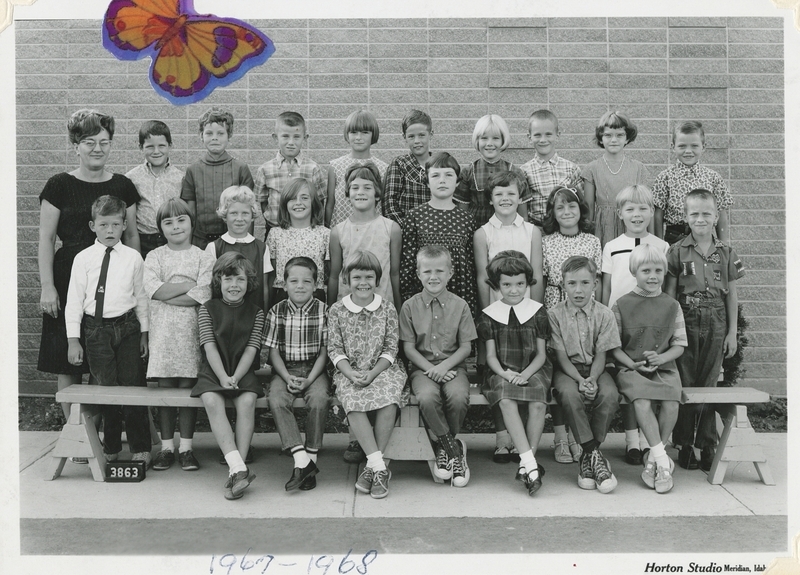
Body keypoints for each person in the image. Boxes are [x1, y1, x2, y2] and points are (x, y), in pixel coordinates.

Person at [38, 109, 141, 453]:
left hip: (113, 285)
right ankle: (78, 437)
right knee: (67, 359)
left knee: (107, 361)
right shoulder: (58, 185)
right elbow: (45, 240)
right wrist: (48, 286)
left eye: (104, 142)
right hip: (69, 276)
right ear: (76, 145)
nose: (97, 149)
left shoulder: (122, 186)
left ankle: (104, 433)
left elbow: (133, 239)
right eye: (89, 142)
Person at [64, 195, 150, 465]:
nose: (110, 231)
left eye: (115, 224)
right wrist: (73, 340)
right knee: (105, 388)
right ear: (93, 226)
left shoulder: (133, 258)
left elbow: (141, 296)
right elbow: (74, 300)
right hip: (96, 330)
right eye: (103, 225)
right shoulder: (83, 258)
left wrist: (145, 333)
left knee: (133, 386)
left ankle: (141, 447)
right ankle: (110, 445)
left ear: (125, 225)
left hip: (127, 327)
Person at [665, 188, 744, 472]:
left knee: (710, 383)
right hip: (685, 316)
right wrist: (672, 331)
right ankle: (685, 443)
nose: (700, 219)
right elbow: (670, 296)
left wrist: (732, 332)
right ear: (686, 217)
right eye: (694, 214)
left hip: (716, 318)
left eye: (706, 214)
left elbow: (732, 295)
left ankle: (707, 444)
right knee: (686, 381)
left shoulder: (727, 252)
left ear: (716, 216)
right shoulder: (676, 251)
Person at [473, 170, 543, 464]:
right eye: (499, 194)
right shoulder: (483, 233)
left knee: (525, 369)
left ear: (520, 198)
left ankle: (522, 442)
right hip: (496, 312)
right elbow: (482, 277)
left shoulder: (532, 231)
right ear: (490, 199)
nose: (505, 199)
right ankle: (503, 437)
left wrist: (533, 312)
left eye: (511, 193)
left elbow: (537, 275)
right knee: (499, 369)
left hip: (526, 311)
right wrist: (492, 312)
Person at [327, 251, 408, 499]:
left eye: (369, 277)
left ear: (378, 279)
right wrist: (350, 373)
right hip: (349, 370)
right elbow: (334, 348)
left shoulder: (387, 308)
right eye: (357, 277)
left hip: (383, 369)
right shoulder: (337, 310)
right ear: (346, 280)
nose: (363, 282)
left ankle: (372, 467)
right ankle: (379, 467)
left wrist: (373, 373)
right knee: (353, 399)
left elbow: (391, 347)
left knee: (387, 397)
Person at [600, 184, 669, 465]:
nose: (636, 214)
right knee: (628, 377)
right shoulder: (612, 247)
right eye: (630, 209)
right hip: (621, 323)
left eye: (643, 208)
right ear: (620, 213)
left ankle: (646, 440)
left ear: (652, 212)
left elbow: (668, 290)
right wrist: (604, 321)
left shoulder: (662, 246)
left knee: (647, 380)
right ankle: (631, 440)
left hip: (652, 326)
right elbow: (605, 288)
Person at [144, 198, 215, 471]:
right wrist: (187, 286)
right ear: (161, 228)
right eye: (168, 222)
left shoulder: (202, 256)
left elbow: (203, 294)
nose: (175, 226)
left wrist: (170, 292)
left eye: (181, 220)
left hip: (190, 332)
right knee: (165, 390)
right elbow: (153, 290)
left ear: (191, 222)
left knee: (187, 389)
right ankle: (166, 448)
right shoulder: (155, 256)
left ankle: (186, 447)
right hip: (162, 333)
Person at [399, 246, 477, 487]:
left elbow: (466, 347)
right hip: (422, 368)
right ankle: (453, 449)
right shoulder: (409, 306)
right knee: (426, 397)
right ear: (418, 273)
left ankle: (443, 447)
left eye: (440, 271)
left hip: (454, 367)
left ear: (450, 273)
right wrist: (431, 370)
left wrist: (444, 367)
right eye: (427, 271)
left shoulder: (460, 305)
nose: (433, 276)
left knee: (457, 396)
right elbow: (409, 348)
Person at [612, 244, 687, 494]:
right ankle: (663, 461)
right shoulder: (621, 305)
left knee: (671, 403)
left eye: (658, 270)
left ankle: (654, 460)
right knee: (642, 402)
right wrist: (629, 362)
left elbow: (679, 345)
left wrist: (662, 358)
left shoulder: (672, 305)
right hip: (631, 368)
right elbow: (614, 347)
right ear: (634, 271)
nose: (652, 276)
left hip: (664, 368)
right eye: (646, 270)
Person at [477, 251, 552, 496]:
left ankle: (525, 462)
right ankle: (531, 465)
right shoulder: (489, 315)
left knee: (538, 402)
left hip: (533, 368)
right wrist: (507, 374)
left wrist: (526, 374)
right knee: (507, 399)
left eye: (520, 284)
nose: (514, 290)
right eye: (507, 285)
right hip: (501, 370)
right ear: (497, 286)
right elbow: (490, 357)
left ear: (528, 283)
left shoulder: (538, 311)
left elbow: (541, 355)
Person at [191, 252, 265, 500]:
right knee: (212, 400)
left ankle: (238, 468)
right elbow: (209, 346)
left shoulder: (256, 313)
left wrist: (235, 376)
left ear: (249, 283)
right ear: (218, 281)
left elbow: (252, 348)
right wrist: (223, 376)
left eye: (240, 280)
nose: (234, 285)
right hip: (214, 370)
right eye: (228, 279)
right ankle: (238, 468)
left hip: (242, 370)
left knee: (247, 401)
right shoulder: (207, 309)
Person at [548, 256, 621, 493]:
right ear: (563, 284)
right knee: (569, 395)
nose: (578, 290)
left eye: (584, 283)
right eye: (571, 284)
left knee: (609, 394)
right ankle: (594, 455)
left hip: (597, 370)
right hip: (567, 371)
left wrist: (591, 378)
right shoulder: (554, 314)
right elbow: (560, 357)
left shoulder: (605, 314)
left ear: (595, 284)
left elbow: (602, 354)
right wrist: (579, 380)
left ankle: (587, 458)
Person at [541, 186, 601, 463]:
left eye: (572, 206)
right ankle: (560, 438)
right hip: (555, 305)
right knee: (560, 374)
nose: (566, 212)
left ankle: (579, 440)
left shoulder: (592, 241)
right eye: (560, 207)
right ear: (553, 213)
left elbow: (594, 281)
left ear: (581, 210)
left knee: (581, 371)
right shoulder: (545, 240)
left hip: (584, 309)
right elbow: (541, 279)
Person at [264, 257, 329, 492]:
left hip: (314, 369)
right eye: (294, 281)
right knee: (277, 399)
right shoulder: (277, 311)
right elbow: (272, 351)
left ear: (315, 285)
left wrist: (310, 379)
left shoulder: (324, 310)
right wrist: (287, 377)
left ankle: (311, 457)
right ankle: (300, 458)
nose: (300, 286)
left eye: (306, 281)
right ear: (284, 284)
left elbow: (324, 352)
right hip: (285, 369)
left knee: (320, 399)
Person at [400, 152, 477, 317]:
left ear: (457, 182)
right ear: (427, 182)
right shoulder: (415, 216)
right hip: (424, 296)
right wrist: (408, 298)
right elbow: (408, 263)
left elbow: (470, 265)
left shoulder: (467, 218)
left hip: (460, 293)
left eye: (449, 175)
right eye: (435, 175)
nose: (442, 180)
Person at [329, 163, 402, 311]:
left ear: (377, 194)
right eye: (355, 188)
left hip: (383, 308)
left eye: (367, 187)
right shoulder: (338, 232)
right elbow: (334, 276)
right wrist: (331, 311)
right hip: (348, 310)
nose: (360, 192)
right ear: (348, 194)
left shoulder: (391, 229)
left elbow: (394, 274)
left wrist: (398, 311)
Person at [180, 107, 254, 249]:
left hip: (233, 242)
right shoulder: (192, 170)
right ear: (201, 135)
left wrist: (246, 245)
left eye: (220, 133)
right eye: (209, 133)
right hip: (200, 242)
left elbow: (248, 211)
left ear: (229, 135)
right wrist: (188, 247)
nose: (215, 137)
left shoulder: (240, 169)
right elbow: (190, 213)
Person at [653, 120, 733, 245]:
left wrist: (723, 245)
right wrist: (658, 243)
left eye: (694, 146)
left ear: (703, 147)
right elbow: (658, 215)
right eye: (682, 146)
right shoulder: (665, 177)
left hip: (705, 236)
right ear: (673, 147)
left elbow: (721, 213)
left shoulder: (713, 178)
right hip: (675, 237)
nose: (688, 151)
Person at [254, 111, 328, 240]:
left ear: (305, 138)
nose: (291, 142)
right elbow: (263, 201)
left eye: (296, 137)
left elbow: (319, 202)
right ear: (275, 137)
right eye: (285, 136)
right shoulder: (265, 169)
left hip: (306, 232)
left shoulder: (313, 169)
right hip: (274, 229)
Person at [582, 110, 650, 248]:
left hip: (631, 225)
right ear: (601, 138)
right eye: (608, 135)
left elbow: (646, 206)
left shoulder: (638, 168)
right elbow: (589, 208)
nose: (614, 140)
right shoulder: (592, 169)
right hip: (603, 228)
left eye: (619, 135)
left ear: (627, 138)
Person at [454, 114, 530, 228]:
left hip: (507, 230)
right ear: (477, 140)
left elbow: (523, 215)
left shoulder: (515, 172)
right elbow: (461, 213)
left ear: (503, 140)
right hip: (476, 230)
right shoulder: (468, 172)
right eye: (484, 138)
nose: (489, 143)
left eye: (495, 138)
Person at [205, 186, 272, 312]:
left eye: (245, 213)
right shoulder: (214, 247)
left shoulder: (262, 248)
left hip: (254, 315)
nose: (239, 219)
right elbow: (210, 287)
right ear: (225, 215)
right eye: (234, 213)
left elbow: (265, 288)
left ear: (252, 215)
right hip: (222, 315)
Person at [125, 120, 184, 259]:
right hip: (143, 240)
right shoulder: (132, 178)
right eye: (150, 147)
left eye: (162, 146)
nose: (156, 151)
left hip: (172, 238)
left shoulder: (180, 178)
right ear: (141, 147)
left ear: (170, 146)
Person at [267, 178, 329, 306]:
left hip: (315, 295)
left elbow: (330, 273)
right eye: (292, 198)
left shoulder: (325, 234)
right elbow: (271, 274)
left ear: (314, 202)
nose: (298, 203)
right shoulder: (275, 234)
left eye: (304, 198)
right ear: (285, 204)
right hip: (282, 296)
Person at [519, 109, 583, 228]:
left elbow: (580, 204)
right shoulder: (524, 172)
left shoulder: (571, 169)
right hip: (538, 231)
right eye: (537, 135)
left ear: (558, 134)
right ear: (529, 137)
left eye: (548, 134)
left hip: (565, 229)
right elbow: (523, 211)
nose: (543, 140)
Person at [327, 110, 388, 227]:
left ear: (373, 134)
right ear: (347, 134)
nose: (358, 137)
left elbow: (384, 206)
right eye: (354, 132)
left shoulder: (383, 168)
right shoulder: (335, 166)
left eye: (365, 132)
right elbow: (330, 204)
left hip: (373, 232)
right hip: (341, 232)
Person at [383, 109, 433, 228]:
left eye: (421, 135)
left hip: (435, 232)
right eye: (411, 136)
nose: (417, 141)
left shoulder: (439, 165)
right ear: (404, 137)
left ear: (431, 134)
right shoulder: (399, 164)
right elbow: (390, 205)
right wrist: (408, 231)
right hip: (406, 235)